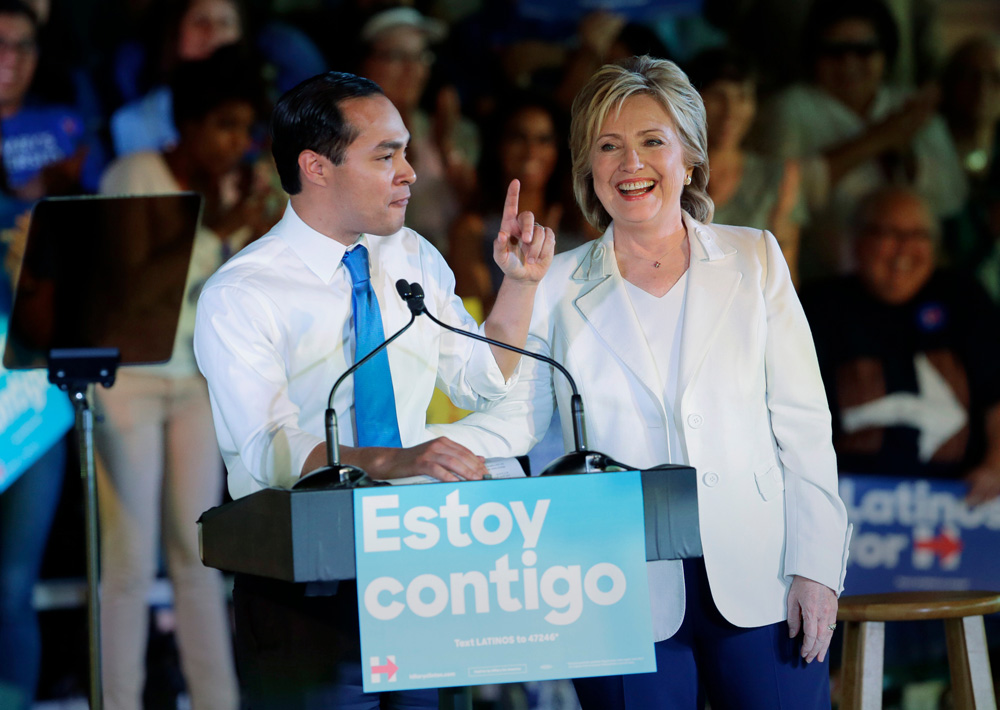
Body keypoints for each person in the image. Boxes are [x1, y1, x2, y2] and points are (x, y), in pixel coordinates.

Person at [467, 55, 851, 709]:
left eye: (652, 141)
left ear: (691, 158)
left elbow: (805, 426)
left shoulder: (754, 257)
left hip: (762, 572)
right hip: (614, 586)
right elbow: (507, 420)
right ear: (588, 166)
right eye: (608, 146)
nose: (630, 163)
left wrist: (817, 568)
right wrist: (517, 289)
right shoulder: (553, 282)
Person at [192, 70, 553, 708]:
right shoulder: (241, 294)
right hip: (303, 580)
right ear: (316, 167)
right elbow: (269, 449)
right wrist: (399, 462)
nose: (410, 172)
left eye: (406, 151)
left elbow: (479, 378)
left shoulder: (410, 256)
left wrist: (518, 286)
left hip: (424, 568)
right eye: (386, 155)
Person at [93, 46, 274, 710]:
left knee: (200, 557)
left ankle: (217, 701)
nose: (236, 143)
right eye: (224, 125)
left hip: (196, 384)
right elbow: (129, 294)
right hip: (130, 383)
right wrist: (217, 229)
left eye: (244, 128)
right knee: (128, 561)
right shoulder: (134, 173)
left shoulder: (234, 187)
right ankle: (117, 700)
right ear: (189, 125)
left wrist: (251, 236)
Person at [801, 186, 1000, 503]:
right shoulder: (819, 306)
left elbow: (995, 391)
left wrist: (996, 465)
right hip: (848, 502)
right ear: (858, 241)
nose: (904, 249)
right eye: (888, 233)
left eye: (919, 235)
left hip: (959, 503)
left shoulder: (963, 297)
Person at [752, 0, 966, 283]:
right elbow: (776, 194)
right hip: (827, 281)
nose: (849, 63)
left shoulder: (908, 106)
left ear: (885, 55)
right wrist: (881, 138)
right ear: (814, 55)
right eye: (834, 52)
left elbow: (950, 198)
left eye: (865, 51)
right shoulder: (790, 109)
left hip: (913, 278)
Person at [686, 47, 805, 286]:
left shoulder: (780, 177)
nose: (731, 111)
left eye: (742, 97)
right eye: (719, 96)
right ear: (692, 101)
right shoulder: (668, 174)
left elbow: (786, 278)